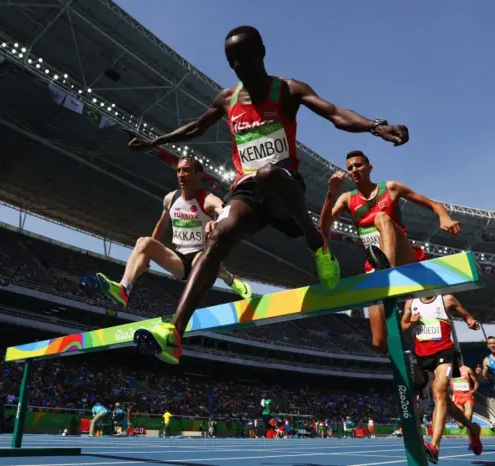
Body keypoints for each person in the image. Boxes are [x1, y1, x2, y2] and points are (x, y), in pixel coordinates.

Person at [128, 25, 409, 364]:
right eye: (232, 61)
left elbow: (335, 114)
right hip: (247, 193)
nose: (238, 67)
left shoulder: (288, 90)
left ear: (261, 52)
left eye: (244, 58)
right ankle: (175, 333)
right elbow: (196, 127)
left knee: (269, 172)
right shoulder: (227, 99)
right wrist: (155, 141)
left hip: (284, 189)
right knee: (219, 235)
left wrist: (375, 127)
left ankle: (315, 241)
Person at [319, 151, 461, 351]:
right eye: (350, 168)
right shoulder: (346, 199)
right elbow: (324, 226)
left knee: (381, 218)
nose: (354, 170)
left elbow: (433, 204)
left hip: (404, 258)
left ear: (370, 168)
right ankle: (416, 365)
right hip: (375, 266)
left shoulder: (391, 188)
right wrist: (331, 194)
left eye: (358, 165)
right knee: (379, 343)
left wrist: (444, 217)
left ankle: (387, 272)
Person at [96, 157, 252, 306]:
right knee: (143, 242)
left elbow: (226, 212)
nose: (181, 175)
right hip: (179, 259)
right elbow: (162, 225)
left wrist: (216, 222)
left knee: (203, 257)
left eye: (186, 171)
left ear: (199, 176)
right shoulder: (170, 199)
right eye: (178, 171)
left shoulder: (208, 200)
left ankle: (230, 279)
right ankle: (124, 290)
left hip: (201, 255)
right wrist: (146, 253)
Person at [401, 294, 482, 464]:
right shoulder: (411, 303)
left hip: (444, 352)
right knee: (446, 403)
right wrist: (412, 322)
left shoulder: (447, 300)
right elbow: (403, 326)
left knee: (438, 392)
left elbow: (467, 316)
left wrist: (471, 322)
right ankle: (473, 428)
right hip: (422, 356)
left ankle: (435, 446)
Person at [451, 363, 479, 429]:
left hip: (467, 397)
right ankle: (454, 416)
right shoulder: (449, 370)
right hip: (456, 398)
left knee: (468, 417)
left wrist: (474, 390)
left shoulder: (468, 369)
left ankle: (472, 435)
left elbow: (476, 382)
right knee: (461, 425)